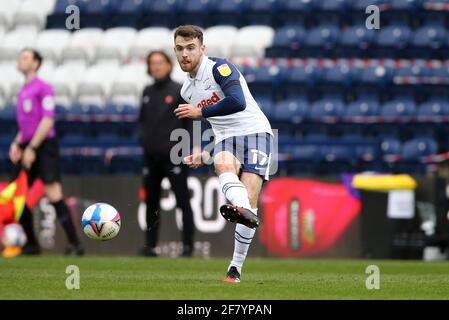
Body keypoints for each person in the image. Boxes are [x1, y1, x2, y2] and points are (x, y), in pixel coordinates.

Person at [173, 25, 274, 282]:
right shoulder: (187, 90)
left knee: (250, 198)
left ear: (202, 49)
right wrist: (202, 152)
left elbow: (237, 102)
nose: (185, 54)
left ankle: (235, 267)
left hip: (256, 132)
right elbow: (213, 125)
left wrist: (200, 112)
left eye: (190, 48)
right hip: (226, 138)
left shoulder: (220, 68)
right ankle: (240, 208)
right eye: (179, 48)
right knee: (222, 164)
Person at [9, 48, 83, 256]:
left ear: (35, 63)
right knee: (18, 197)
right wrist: (16, 144)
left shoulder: (44, 88)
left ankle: (75, 244)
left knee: (53, 193)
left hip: (43, 146)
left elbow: (47, 119)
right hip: (26, 146)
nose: (20, 60)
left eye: (25, 57)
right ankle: (31, 244)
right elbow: (25, 125)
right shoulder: (22, 90)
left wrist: (32, 147)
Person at [139, 50, 195, 257]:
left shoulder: (180, 90)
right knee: (151, 203)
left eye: (160, 63)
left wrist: (190, 148)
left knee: (182, 201)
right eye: (153, 63)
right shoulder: (146, 91)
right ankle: (150, 246)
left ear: (169, 65)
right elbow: (142, 121)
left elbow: (190, 121)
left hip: (174, 156)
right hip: (151, 157)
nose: (156, 67)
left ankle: (188, 247)